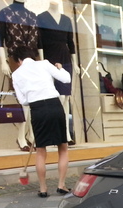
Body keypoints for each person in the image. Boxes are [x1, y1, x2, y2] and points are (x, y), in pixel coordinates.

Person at [11, 46, 72, 198]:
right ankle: (61, 185)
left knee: (40, 151)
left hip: (37, 109)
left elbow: (23, 101)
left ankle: (43, 189)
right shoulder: (44, 64)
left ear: (19, 60)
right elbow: (66, 78)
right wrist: (60, 68)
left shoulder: (16, 74)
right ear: (33, 56)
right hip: (54, 105)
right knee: (62, 147)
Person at [0, 0, 42, 152]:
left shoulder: (33, 16)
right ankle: (22, 136)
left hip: (33, 61)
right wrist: (3, 62)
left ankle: (29, 135)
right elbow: (0, 40)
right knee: (23, 99)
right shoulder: (5, 13)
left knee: (33, 98)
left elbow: (39, 43)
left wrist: (41, 63)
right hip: (16, 60)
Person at [38, 0, 80, 146]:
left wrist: (75, 63)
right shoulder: (41, 17)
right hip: (49, 59)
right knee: (54, 98)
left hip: (65, 58)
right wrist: (42, 62)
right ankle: (58, 134)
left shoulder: (67, 20)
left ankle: (66, 133)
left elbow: (71, 42)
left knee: (65, 97)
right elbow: (40, 43)